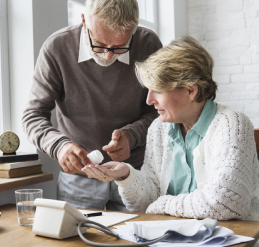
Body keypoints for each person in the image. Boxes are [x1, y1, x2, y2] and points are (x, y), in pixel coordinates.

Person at [82, 36, 259, 220]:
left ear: (191, 91)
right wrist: (126, 175)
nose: (149, 100)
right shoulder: (158, 129)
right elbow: (146, 202)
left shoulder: (232, 125)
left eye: (157, 90)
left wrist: (162, 203)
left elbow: (226, 203)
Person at [22, 0, 162, 211]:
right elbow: (32, 115)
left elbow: (159, 111)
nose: (107, 55)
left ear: (133, 30)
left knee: (137, 241)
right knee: (77, 242)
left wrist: (132, 136)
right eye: (99, 43)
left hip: (134, 173)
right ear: (84, 21)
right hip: (79, 178)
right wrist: (60, 146)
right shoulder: (56, 48)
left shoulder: (148, 44)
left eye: (119, 47)